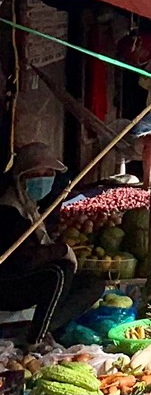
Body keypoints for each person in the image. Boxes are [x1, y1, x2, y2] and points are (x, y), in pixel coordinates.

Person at [0, 143, 76, 342]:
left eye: (48, 173)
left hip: (26, 277)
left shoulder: (33, 208)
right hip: (8, 285)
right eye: (36, 174)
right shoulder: (9, 210)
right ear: (21, 179)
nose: (43, 179)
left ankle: (46, 328)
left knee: (93, 284)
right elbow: (24, 260)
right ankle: (34, 340)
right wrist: (60, 250)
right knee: (58, 273)